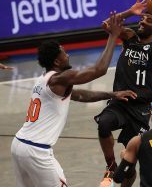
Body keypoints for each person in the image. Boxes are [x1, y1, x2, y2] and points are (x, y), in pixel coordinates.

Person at [10, 13, 137, 187]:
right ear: (56, 61)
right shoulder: (61, 78)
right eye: (64, 53)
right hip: (36, 150)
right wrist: (113, 36)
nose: (67, 55)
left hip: (18, 145)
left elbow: (81, 95)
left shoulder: (45, 79)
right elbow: (99, 70)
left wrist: (112, 94)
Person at [95, 0, 152, 187]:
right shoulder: (130, 38)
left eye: (148, 20)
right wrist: (130, 12)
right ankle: (110, 164)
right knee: (104, 124)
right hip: (120, 101)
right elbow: (107, 26)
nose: (142, 21)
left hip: (140, 110)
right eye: (142, 18)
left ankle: (124, 174)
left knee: (129, 167)